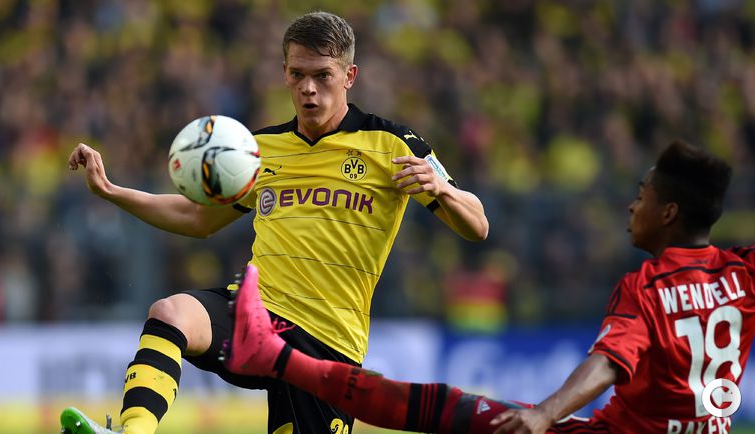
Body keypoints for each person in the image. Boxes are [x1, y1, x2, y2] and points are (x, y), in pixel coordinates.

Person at [59, 11, 489, 434]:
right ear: (284, 73)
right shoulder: (259, 149)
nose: (308, 88)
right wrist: (112, 191)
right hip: (258, 315)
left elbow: (478, 226)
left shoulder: (392, 143)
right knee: (170, 314)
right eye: (298, 74)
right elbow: (197, 217)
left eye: (323, 76)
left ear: (349, 76)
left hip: (328, 343)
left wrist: (443, 190)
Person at [223, 140, 754, 434]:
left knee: (444, 407)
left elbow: (610, 363)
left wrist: (544, 413)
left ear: (668, 212)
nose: (633, 205)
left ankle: (274, 356)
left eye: (642, 195)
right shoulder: (741, 271)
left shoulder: (648, 285)